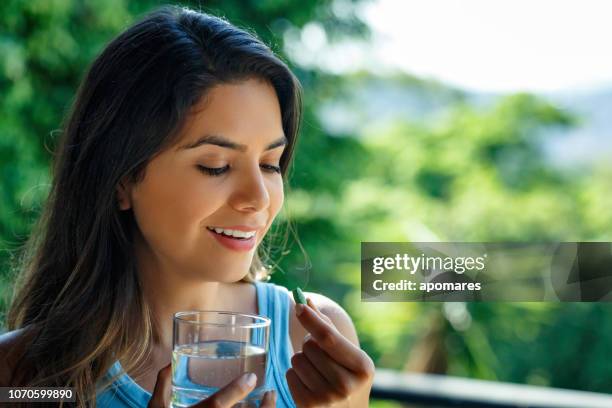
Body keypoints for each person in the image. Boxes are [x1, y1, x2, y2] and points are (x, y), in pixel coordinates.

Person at [0, 5, 374, 407]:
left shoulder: (313, 346)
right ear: (121, 179)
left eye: (269, 164)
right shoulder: (22, 377)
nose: (260, 199)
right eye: (215, 166)